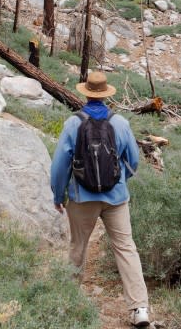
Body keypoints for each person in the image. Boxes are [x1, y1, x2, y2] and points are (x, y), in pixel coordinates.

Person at [50, 71, 151, 328]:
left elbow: (60, 165)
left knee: (78, 247)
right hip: (116, 199)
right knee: (126, 248)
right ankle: (139, 308)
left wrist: (58, 193)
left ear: (85, 93)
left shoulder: (73, 124)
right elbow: (134, 161)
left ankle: (67, 302)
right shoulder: (120, 123)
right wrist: (119, 183)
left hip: (82, 198)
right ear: (106, 94)